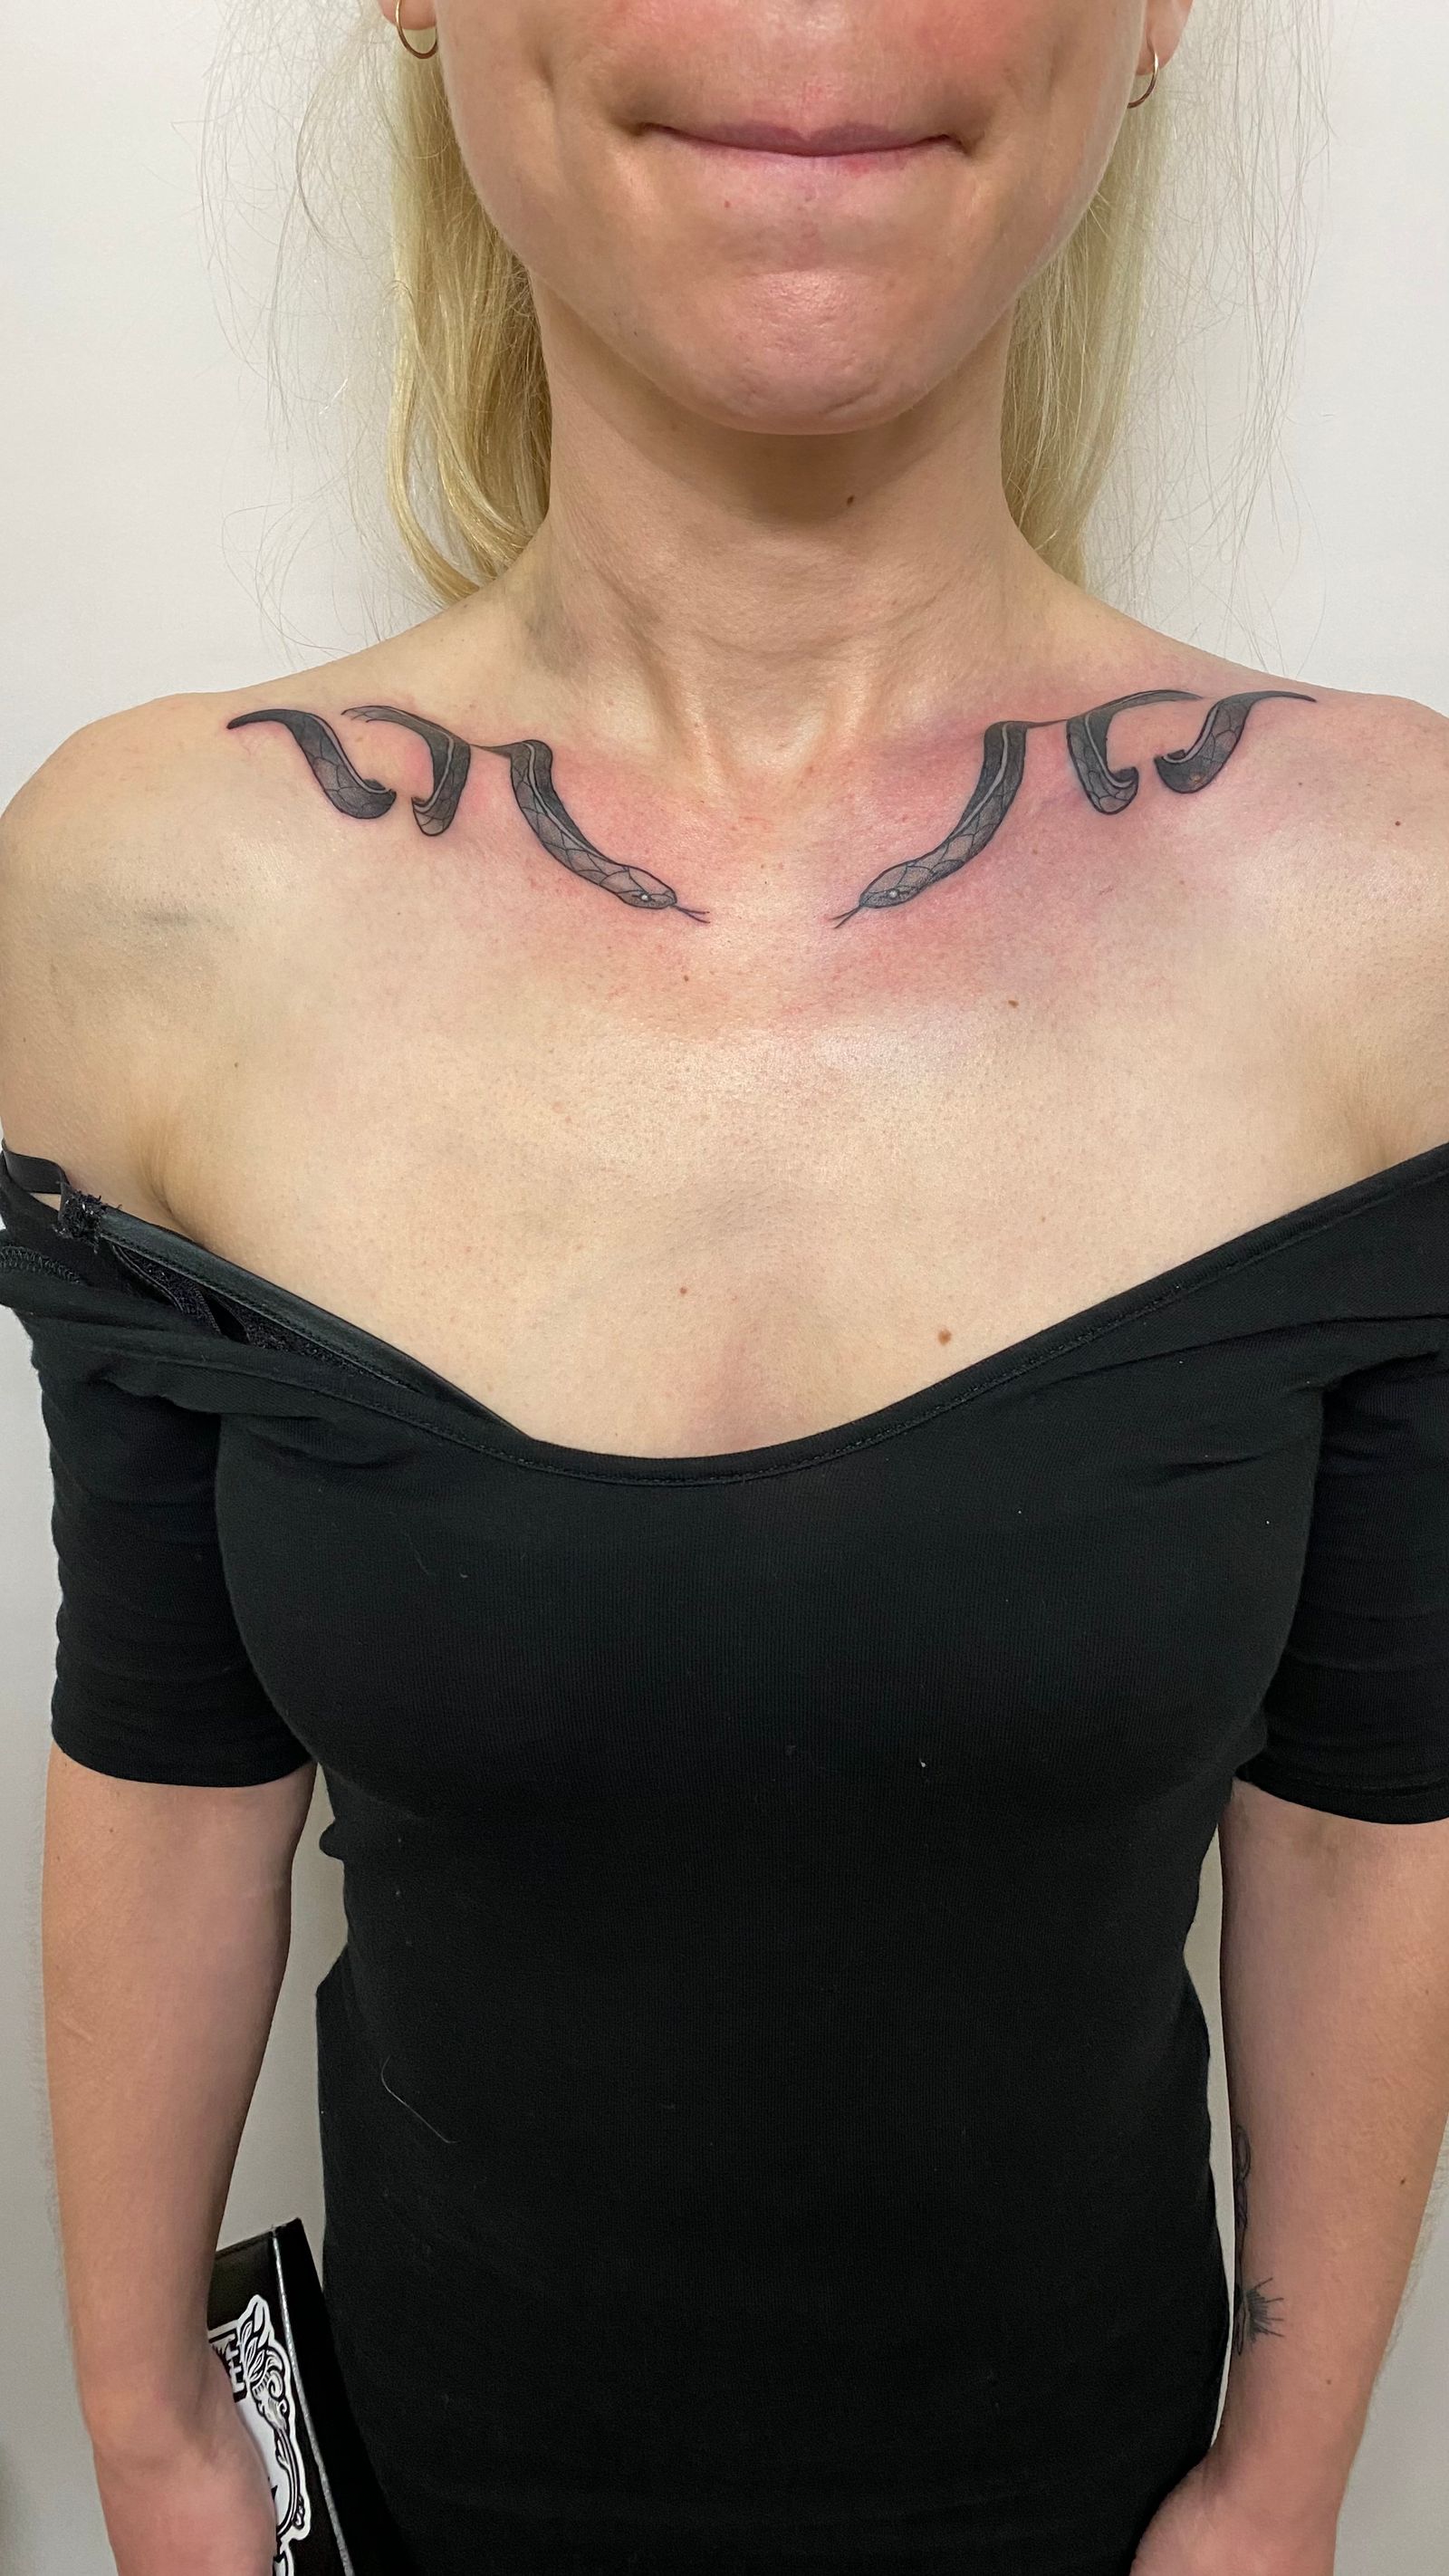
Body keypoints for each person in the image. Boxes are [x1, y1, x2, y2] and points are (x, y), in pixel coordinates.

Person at [2, 3, 1448, 2571]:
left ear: (1153, 18)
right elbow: (165, 1736)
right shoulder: (141, 898)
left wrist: (1281, 2488)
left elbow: (1366, 1793)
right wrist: (157, 2446)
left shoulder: (1398, 915)